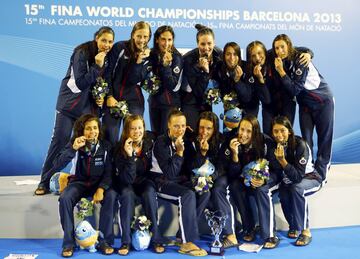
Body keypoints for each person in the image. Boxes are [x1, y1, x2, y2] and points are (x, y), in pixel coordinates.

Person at [35, 27, 115, 195]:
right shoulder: (82, 52)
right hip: (69, 106)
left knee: (90, 146)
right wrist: (97, 65)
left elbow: (104, 82)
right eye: (103, 40)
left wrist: (102, 96)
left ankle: (86, 183)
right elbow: (80, 83)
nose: (106, 45)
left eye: (110, 41)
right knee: (61, 141)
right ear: (96, 38)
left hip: (88, 109)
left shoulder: (108, 58)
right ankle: (44, 181)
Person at [271, 34, 334, 184]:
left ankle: (321, 174)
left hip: (322, 101)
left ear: (289, 46)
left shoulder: (301, 59)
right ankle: (309, 170)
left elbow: (294, 90)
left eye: (282, 47)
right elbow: (306, 49)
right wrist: (309, 52)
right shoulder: (285, 59)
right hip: (305, 105)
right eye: (276, 48)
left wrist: (281, 72)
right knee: (306, 140)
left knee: (324, 139)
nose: (279, 51)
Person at [214, 115, 281, 249]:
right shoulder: (231, 141)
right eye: (241, 129)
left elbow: (277, 170)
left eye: (248, 131)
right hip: (244, 179)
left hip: (270, 178)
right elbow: (232, 174)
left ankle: (271, 235)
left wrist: (264, 179)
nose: (243, 134)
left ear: (255, 132)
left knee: (263, 189)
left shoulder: (266, 143)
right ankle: (248, 227)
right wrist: (234, 155)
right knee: (235, 186)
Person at [103, 114, 164, 255]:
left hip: (144, 181)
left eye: (140, 128)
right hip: (126, 182)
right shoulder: (119, 149)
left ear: (144, 128)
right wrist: (130, 156)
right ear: (127, 131)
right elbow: (128, 179)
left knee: (149, 193)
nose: (137, 132)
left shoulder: (150, 141)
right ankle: (126, 241)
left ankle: (156, 239)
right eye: (133, 129)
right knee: (127, 195)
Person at [150, 109, 207, 256]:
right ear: (168, 125)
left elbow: (192, 167)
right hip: (161, 182)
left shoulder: (186, 140)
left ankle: (182, 233)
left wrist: (201, 153)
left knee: (204, 190)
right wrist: (179, 153)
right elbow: (170, 173)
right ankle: (187, 242)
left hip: (180, 181)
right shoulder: (160, 143)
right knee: (187, 194)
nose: (180, 129)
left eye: (182, 126)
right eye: (176, 126)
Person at [56, 114, 114, 257]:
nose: (92, 131)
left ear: (99, 130)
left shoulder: (106, 146)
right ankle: (69, 243)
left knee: (112, 196)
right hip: (79, 183)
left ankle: (104, 241)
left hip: (98, 184)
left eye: (95, 128)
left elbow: (109, 172)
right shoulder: (75, 144)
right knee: (65, 198)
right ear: (82, 131)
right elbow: (58, 164)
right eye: (88, 128)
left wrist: (101, 188)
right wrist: (73, 148)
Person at [271, 116, 322, 246]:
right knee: (283, 190)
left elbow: (298, 177)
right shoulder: (275, 146)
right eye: (276, 131)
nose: (279, 134)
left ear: (289, 131)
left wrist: (282, 160)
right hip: (291, 178)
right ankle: (293, 225)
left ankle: (306, 231)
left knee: (296, 188)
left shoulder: (301, 145)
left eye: (282, 130)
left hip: (310, 177)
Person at [245, 40, 312, 135]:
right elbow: (266, 100)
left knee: (285, 136)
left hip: (287, 102)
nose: (258, 58)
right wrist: (260, 80)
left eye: (260, 53)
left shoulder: (272, 54)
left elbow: (293, 49)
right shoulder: (252, 72)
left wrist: (308, 53)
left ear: (265, 52)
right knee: (268, 136)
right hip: (269, 107)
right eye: (253, 56)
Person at [103, 21, 151, 145]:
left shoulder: (149, 55)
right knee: (110, 138)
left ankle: (131, 164)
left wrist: (139, 62)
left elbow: (133, 80)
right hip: (114, 98)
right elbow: (107, 72)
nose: (142, 40)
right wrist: (109, 96)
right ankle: (110, 164)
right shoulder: (120, 47)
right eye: (139, 36)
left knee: (135, 139)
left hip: (134, 101)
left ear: (149, 37)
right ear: (133, 35)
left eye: (145, 37)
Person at [131, 25, 183, 136]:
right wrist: (139, 63)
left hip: (170, 105)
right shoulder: (150, 54)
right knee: (155, 136)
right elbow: (138, 78)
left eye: (169, 40)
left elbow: (173, 85)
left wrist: (166, 66)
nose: (167, 43)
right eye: (163, 39)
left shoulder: (176, 57)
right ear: (157, 39)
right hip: (154, 103)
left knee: (166, 138)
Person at [181, 24, 222, 130]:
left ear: (214, 43)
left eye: (209, 43)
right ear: (197, 44)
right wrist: (205, 72)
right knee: (193, 133)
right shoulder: (188, 59)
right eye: (202, 44)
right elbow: (197, 91)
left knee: (208, 135)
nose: (206, 48)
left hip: (207, 102)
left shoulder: (219, 55)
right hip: (191, 102)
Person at [214, 42, 270, 117]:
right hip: (230, 114)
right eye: (228, 54)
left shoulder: (247, 67)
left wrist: (237, 81)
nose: (232, 57)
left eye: (235, 54)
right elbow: (223, 94)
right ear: (223, 56)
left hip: (249, 112)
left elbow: (247, 97)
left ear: (239, 56)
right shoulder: (220, 68)